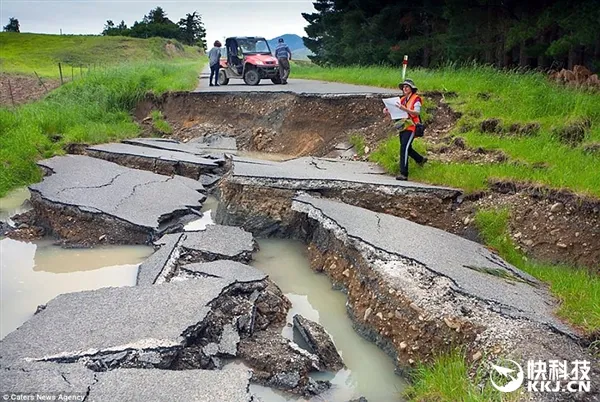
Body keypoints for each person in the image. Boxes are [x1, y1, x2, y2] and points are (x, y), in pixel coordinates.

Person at [383, 78, 427, 180]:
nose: (404, 88)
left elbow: (416, 112)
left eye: (407, 86)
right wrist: (387, 111)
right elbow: (396, 111)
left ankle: (404, 173)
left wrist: (404, 109)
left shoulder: (416, 99)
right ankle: (420, 160)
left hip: (412, 126)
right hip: (403, 126)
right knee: (407, 148)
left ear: (411, 88)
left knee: (404, 148)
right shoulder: (402, 99)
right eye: (403, 87)